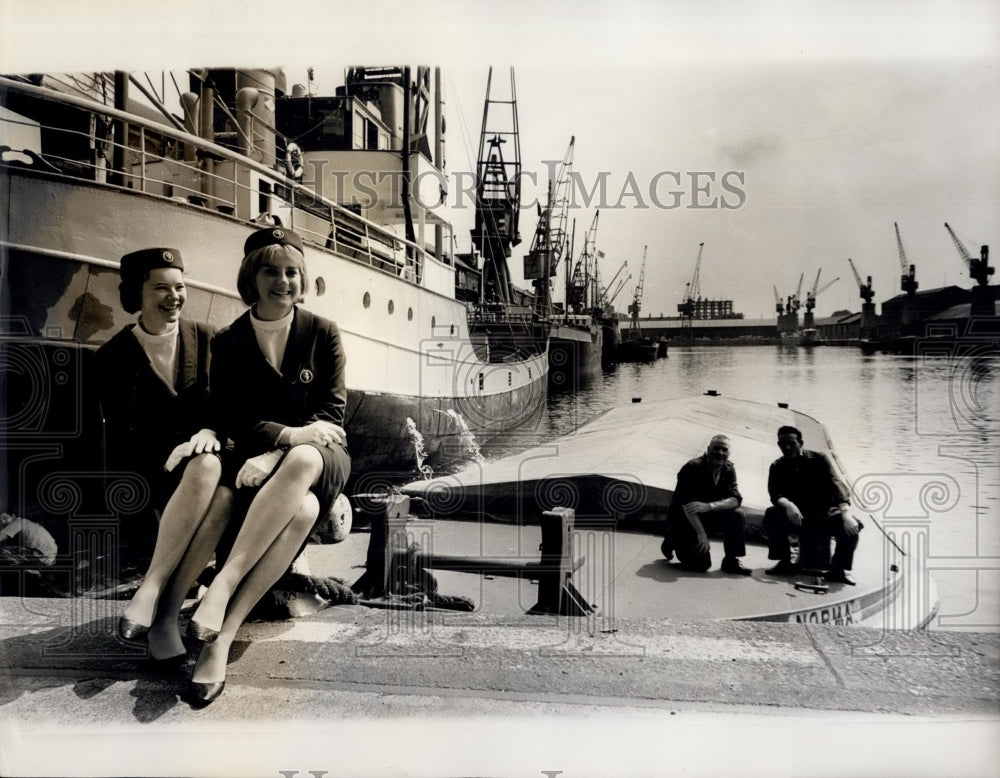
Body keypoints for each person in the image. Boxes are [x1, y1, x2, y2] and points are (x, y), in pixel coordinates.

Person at [185, 226, 351, 706]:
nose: (284, 281)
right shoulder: (228, 341)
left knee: (303, 457)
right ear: (251, 279)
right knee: (302, 511)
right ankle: (220, 640)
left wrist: (280, 448)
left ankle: (223, 585)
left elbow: (331, 414)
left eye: (292, 272)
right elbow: (232, 417)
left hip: (323, 454)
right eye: (272, 272)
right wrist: (282, 438)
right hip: (267, 455)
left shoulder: (323, 332)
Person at [97, 248, 232, 663]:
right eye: (161, 288)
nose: (174, 297)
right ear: (136, 294)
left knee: (212, 475)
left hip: (210, 457)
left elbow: (231, 408)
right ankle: (165, 615)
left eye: (179, 287)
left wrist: (210, 431)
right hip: (153, 475)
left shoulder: (209, 339)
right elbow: (116, 442)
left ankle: (155, 598)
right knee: (217, 492)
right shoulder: (112, 357)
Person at [763, 425, 862, 585]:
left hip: (823, 514)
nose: (787, 447)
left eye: (791, 443)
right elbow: (775, 493)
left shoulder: (819, 459)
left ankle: (838, 569)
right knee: (772, 514)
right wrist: (788, 505)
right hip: (798, 516)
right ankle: (785, 562)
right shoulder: (777, 466)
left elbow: (836, 483)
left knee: (851, 528)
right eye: (782, 444)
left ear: (800, 443)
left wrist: (845, 512)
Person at [662, 434, 751, 575]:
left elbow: (735, 499)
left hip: (707, 515)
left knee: (737, 514)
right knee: (701, 565)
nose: (720, 453)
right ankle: (672, 539)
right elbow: (687, 506)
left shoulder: (729, 469)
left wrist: (710, 506)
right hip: (685, 520)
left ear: (729, 452)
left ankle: (731, 561)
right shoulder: (692, 468)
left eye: (724, 450)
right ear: (708, 449)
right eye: (716, 448)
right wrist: (701, 534)